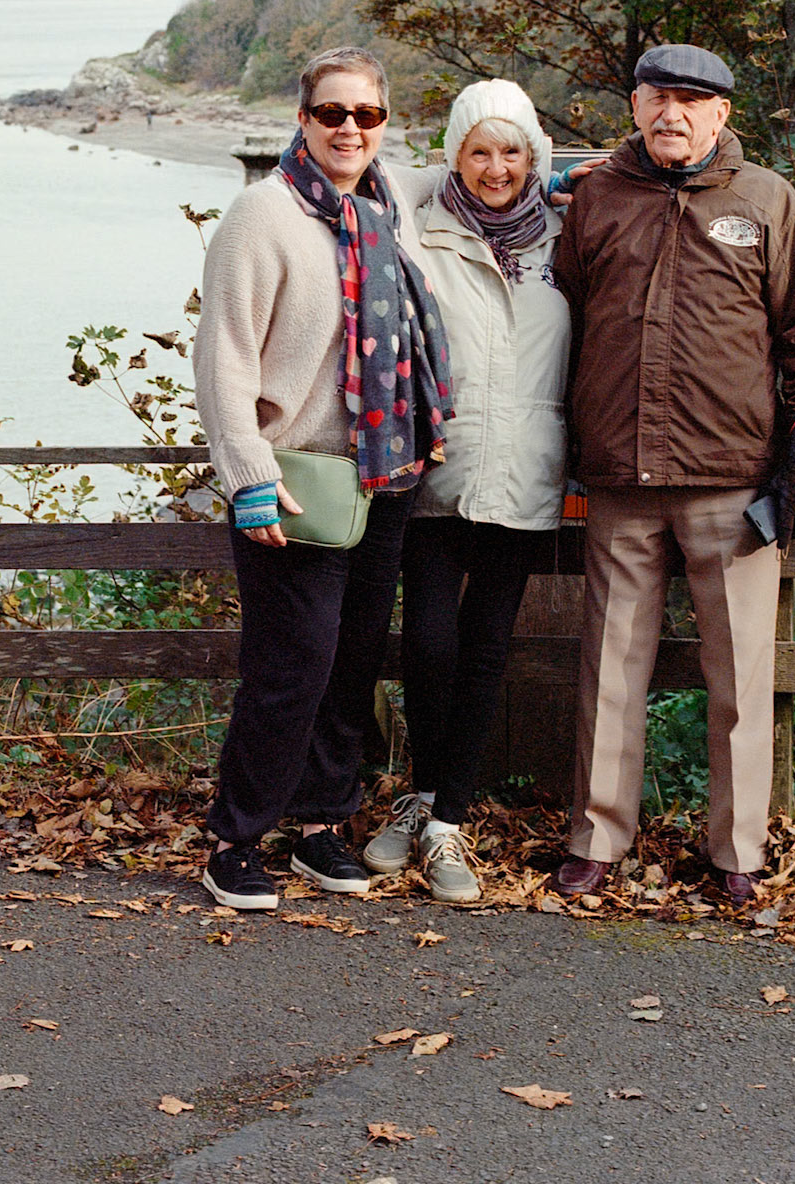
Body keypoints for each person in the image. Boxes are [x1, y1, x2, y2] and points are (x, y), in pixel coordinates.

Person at [549, 43, 795, 904]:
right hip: (619, 475)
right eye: (656, 97)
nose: (671, 113)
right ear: (634, 106)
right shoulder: (596, 195)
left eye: (691, 100)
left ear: (721, 115)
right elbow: (555, 314)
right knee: (609, 668)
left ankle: (737, 854)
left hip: (734, 479)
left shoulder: (768, 202)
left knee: (741, 678)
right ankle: (597, 840)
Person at [192, 46, 454, 911]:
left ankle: (318, 825)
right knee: (290, 663)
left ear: (385, 124)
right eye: (332, 113)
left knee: (349, 662)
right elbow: (224, 356)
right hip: (295, 479)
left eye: (367, 115)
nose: (350, 129)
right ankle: (235, 837)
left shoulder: (387, 205)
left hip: (384, 477)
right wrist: (247, 476)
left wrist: (574, 182)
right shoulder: (261, 214)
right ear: (302, 119)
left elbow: (478, 166)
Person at [361, 80, 570, 905]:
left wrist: (564, 181)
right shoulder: (421, 223)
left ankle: (446, 820)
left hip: (526, 470)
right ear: (453, 154)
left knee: (487, 649)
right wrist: (439, 167)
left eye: (513, 151)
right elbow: (380, 172)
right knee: (430, 645)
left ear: (535, 157)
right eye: (478, 150)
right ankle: (419, 794)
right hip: (438, 469)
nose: (496, 167)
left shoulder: (563, 236)